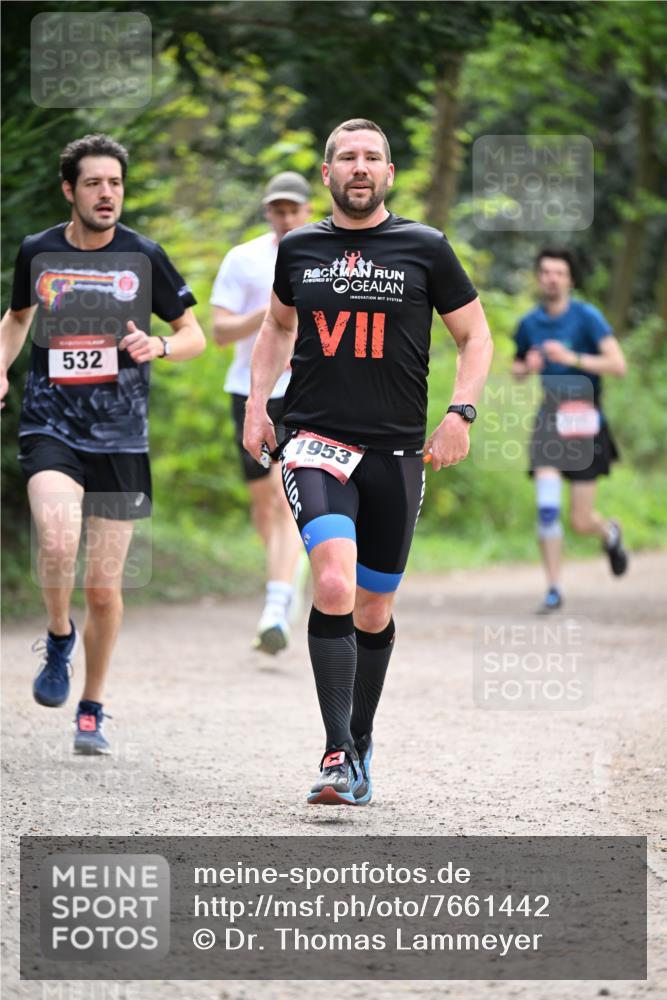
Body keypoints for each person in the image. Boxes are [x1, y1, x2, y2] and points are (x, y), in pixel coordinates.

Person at [244, 118, 492, 805]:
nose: (359, 167)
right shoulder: (298, 249)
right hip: (314, 442)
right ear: (326, 174)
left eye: (371, 158)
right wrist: (256, 404)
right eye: (346, 157)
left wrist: (458, 413)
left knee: (374, 607)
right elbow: (275, 326)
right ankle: (334, 756)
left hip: (394, 452)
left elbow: (474, 336)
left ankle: (358, 740)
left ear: (388, 174)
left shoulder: (424, 248)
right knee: (331, 585)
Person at [0, 133, 205, 754]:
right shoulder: (38, 251)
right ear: (70, 189)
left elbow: (193, 333)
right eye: (93, 183)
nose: (106, 193)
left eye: (115, 183)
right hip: (50, 426)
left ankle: (91, 706)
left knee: (105, 588)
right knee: (58, 538)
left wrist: (161, 346)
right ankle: (58, 634)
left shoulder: (145, 256)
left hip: (121, 438)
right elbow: (15, 320)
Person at [211, 172, 312, 654]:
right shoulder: (244, 259)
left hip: (305, 391)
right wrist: (272, 312)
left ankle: (276, 602)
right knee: (263, 505)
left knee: (282, 496)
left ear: (308, 208)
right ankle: (289, 572)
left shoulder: (326, 255)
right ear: (268, 211)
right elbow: (220, 332)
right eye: (278, 209)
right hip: (250, 390)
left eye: (294, 208)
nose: (286, 216)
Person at [512, 247, 628, 613]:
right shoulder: (529, 323)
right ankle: (554, 588)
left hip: (585, 421)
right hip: (550, 419)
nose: (551, 278)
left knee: (580, 520)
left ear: (570, 279)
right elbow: (517, 369)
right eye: (545, 272)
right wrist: (525, 367)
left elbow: (618, 365)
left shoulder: (587, 317)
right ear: (538, 277)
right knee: (547, 509)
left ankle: (608, 532)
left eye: (559, 273)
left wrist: (573, 359)